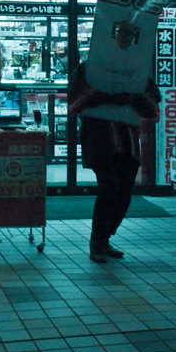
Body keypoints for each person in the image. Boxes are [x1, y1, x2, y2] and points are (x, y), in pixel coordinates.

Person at [68, 60, 161, 263]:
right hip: (99, 139)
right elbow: (74, 103)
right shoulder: (87, 69)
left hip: (128, 140)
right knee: (110, 187)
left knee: (125, 192)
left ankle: (104, 238)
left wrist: (131, 97)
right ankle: (97, 241)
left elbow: (154, 104)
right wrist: (107, 96)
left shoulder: (137, 69)